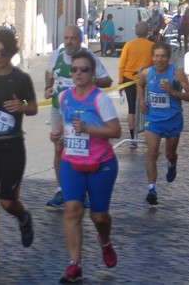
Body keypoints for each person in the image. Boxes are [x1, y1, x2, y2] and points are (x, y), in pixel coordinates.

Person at [49, 50, 121, 283]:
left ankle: (105, 241)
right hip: (72, 162)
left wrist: (88, 129)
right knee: (72, 210)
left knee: (99, 217)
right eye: (75, 69)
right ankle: (74, 265)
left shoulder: (100, 99)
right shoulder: (64, 97)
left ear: (92, 73)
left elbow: (116, 131)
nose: (79, 73)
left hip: (101, 164)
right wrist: (58, 132)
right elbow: (64, 118)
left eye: (84, 69)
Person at [44, 25, 113, 208]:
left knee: (82, 147)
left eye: (73, 38)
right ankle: (62, 190)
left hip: (85, 109)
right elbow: (48, 73)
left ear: (80, 39)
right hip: (59, 108)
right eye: (66, 38)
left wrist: (89, 79)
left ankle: (83, 189)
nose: (68, 42)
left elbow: (107, 80)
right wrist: (48, 87)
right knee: (59, 147)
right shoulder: (56, 55)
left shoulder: (89, 58)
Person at [0, 29, 37, 265]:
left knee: (8, 202)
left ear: (10, 53)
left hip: (12, 148)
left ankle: (23, 218)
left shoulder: (21, 79)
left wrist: (22, 108)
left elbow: (33, 107)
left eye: (2, 51)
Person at [137, 42, 189, 205]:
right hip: (153, 119)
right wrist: (142, 100)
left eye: (163, 56)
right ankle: (151, 189)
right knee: (152, 152)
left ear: (168, 58)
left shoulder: (177, 74)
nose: (159, 59)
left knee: (169, 153)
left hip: (172, 120)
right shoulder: (147, 73)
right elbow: (139, 85)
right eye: (156, 56)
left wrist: (173, 92)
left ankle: (172, 162)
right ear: (152, 57)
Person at [118, 21, 154, 148]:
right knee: (145, 105)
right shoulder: (152, 46)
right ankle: (148, 134)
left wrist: (120, 81)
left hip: (129, 78)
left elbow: (122, 64)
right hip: (145, 79)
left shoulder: (129, 45)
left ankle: (133, 137)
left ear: (136, 32)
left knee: (131, 109)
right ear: (147, 32)